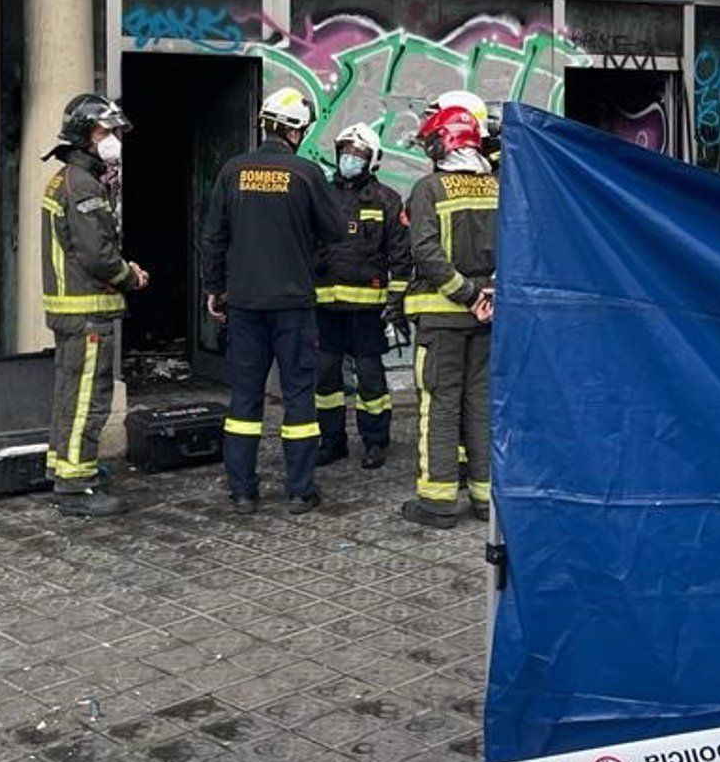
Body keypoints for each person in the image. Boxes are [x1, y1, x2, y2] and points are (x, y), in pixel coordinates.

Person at [200, 86, 343, 516]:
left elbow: (213, 237)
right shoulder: (306, 174)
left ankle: (243, 491)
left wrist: (215, 288)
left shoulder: (232, 171)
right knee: (299, 396)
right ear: (297, 131)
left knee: (244, 400)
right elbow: (335, 230)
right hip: (294, 306)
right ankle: (300, 490)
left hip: (244, 304)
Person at [41, 93, 149, 517]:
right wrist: (131, 277)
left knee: (70, 394)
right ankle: (75, 487)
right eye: (107, 131)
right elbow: (97, 255)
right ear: (85, 135)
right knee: (89, 398)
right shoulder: (83, 185)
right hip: (86, 310)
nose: (114, 139)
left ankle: (63, 468)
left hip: (72, 308)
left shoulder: (66, 178)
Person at [401, 104, 498, 530]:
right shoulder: (497, 186)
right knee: (480, 406)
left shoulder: (429, 188)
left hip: (443, 319)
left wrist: (465, 293)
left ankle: (437, 502)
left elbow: (425, 252)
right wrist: (487, 297)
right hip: (488, 318)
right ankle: (484, 499)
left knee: (440, 407)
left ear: (446, 142)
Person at [314, 122, 411, 470]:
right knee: (325, 378)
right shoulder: (321, 194)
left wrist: (396, 307)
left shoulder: (387, 200)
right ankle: (331, 441)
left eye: (358, 154)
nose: (349, 159)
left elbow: (401, 257)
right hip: (325, 308)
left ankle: (374, 441)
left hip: (369, 312)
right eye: (346, 152)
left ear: (372, 161)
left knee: (371, 379)